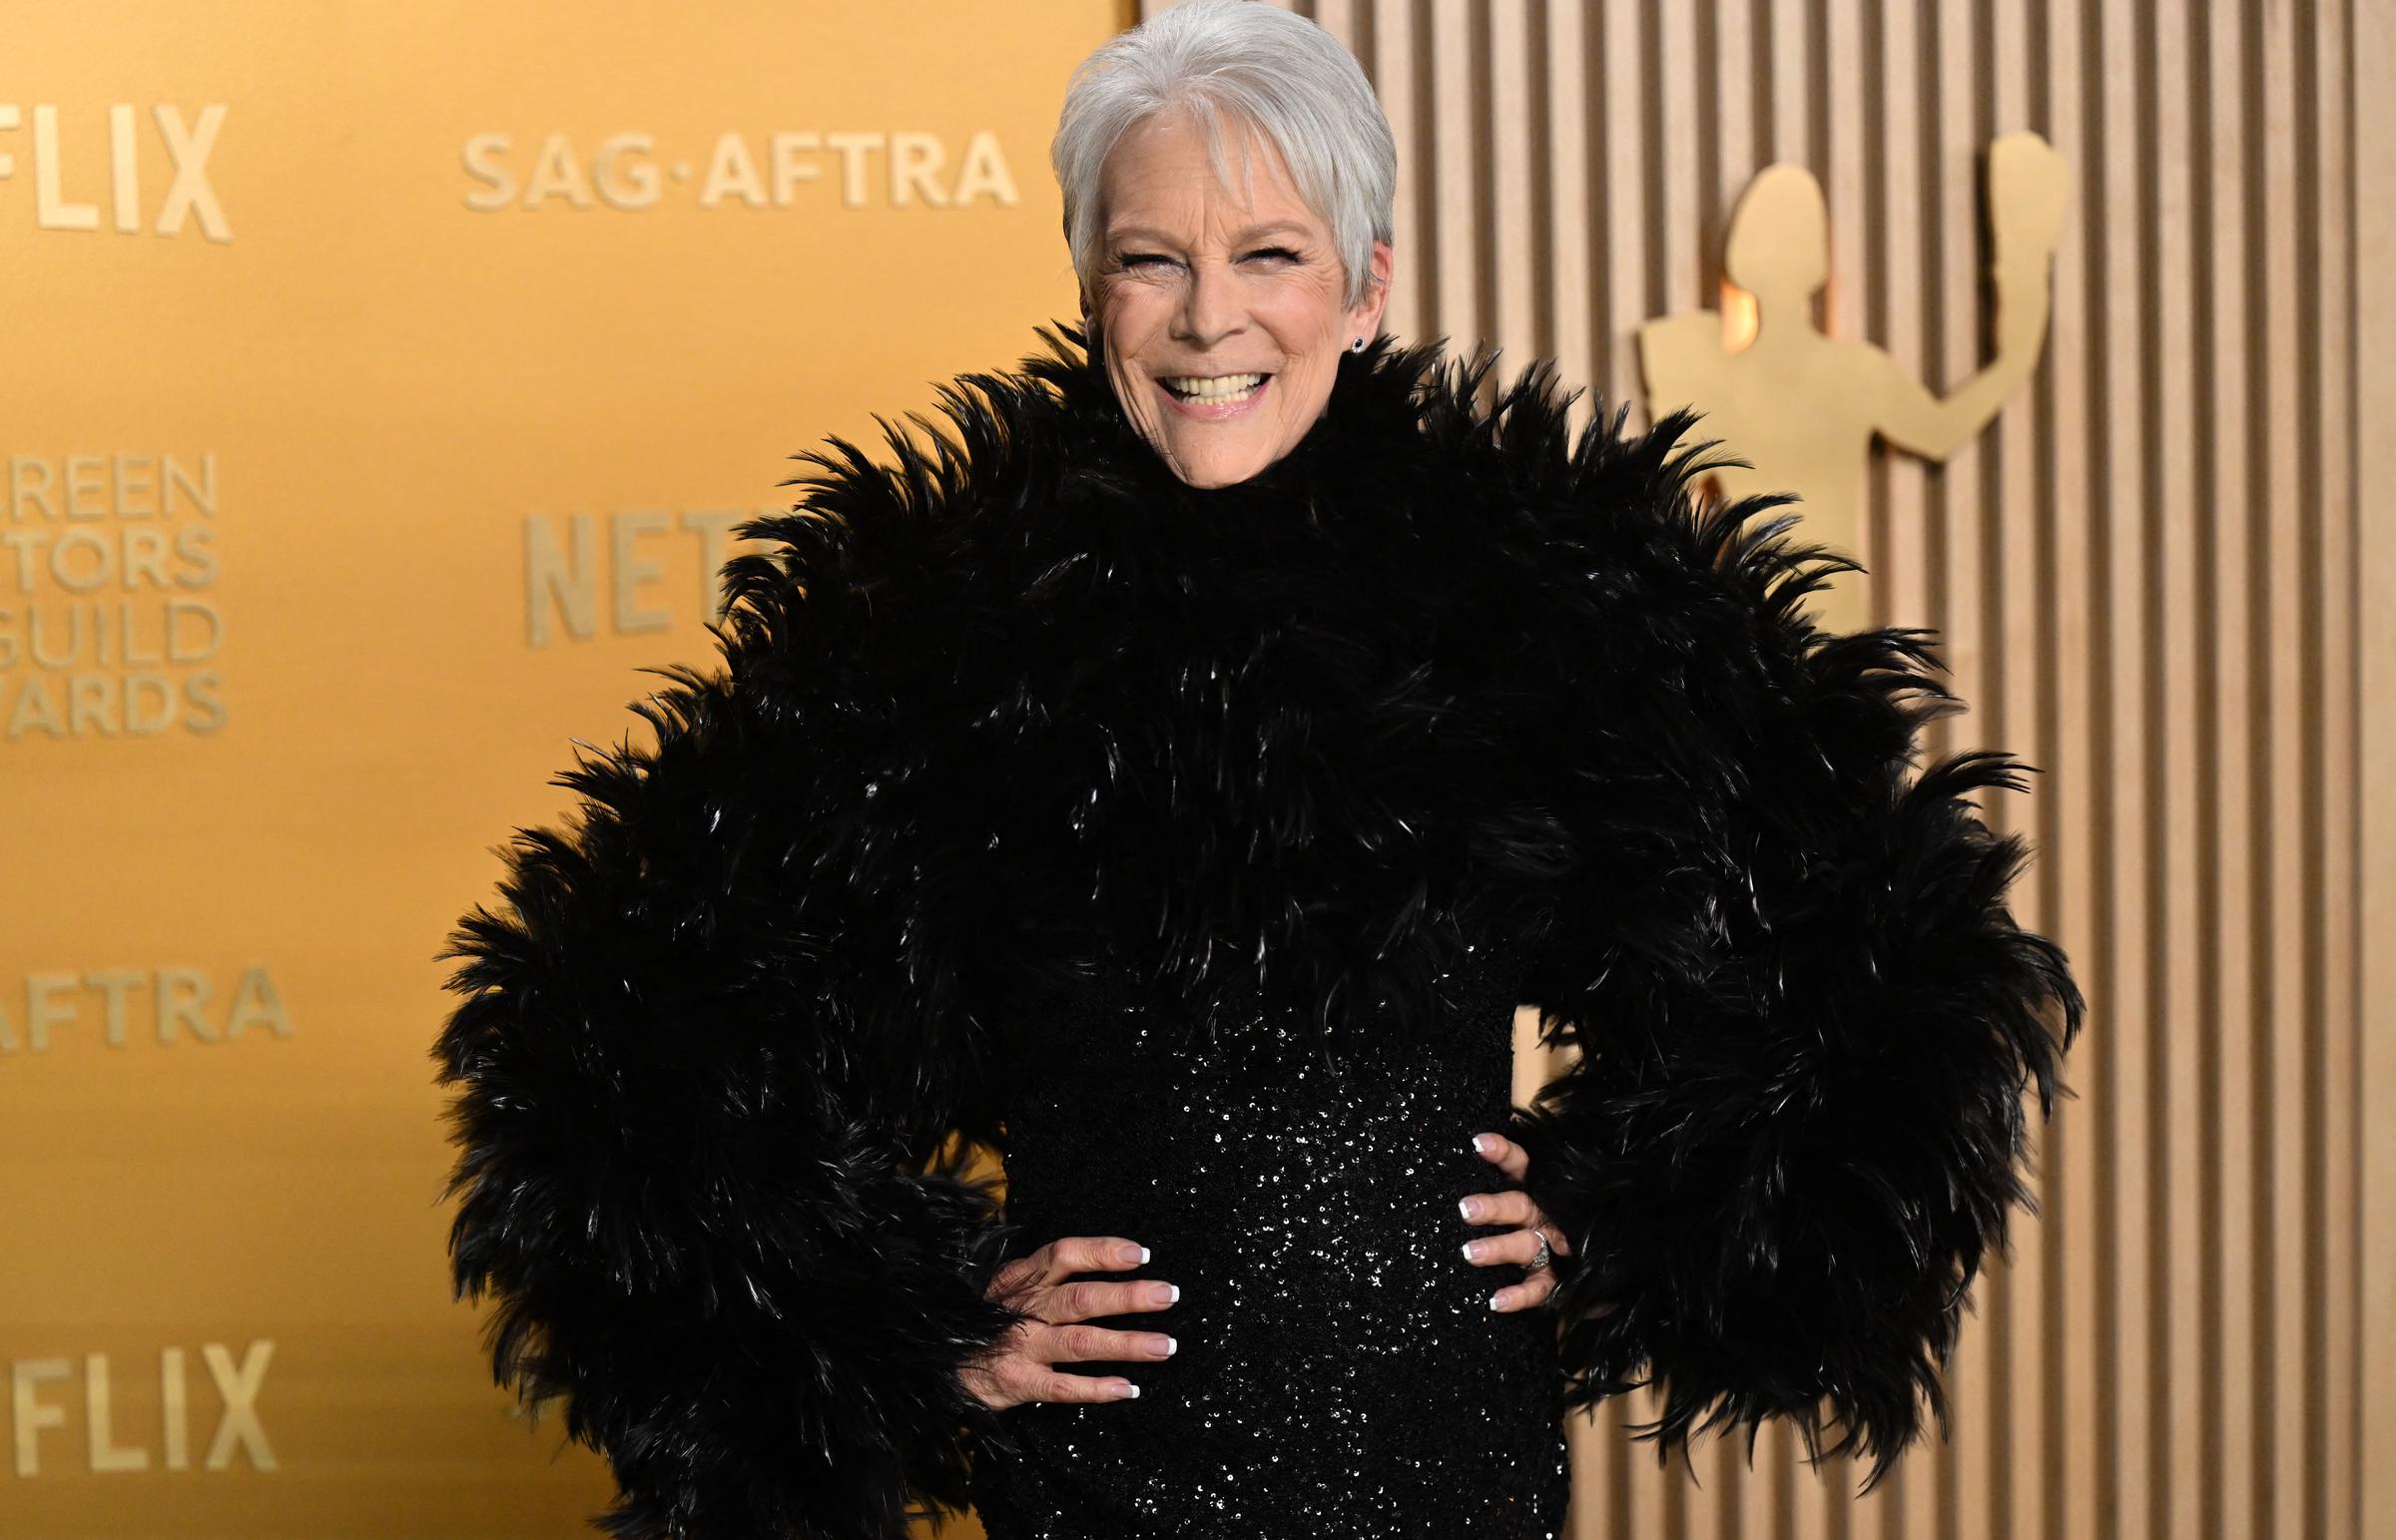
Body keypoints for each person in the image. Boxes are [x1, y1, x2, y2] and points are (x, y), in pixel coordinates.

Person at [429, 3, 2084, 1537]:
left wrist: (1640, 1220)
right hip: (1100, 1484)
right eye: (1153, 260)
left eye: (1268, 253)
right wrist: (906, 1326)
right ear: (1093, 290)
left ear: (1363, 286)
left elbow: (1883, 943)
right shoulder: (929, 630)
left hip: (1449, 1462)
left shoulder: (1538, 590)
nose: (1211, 315)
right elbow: (603, 1042)